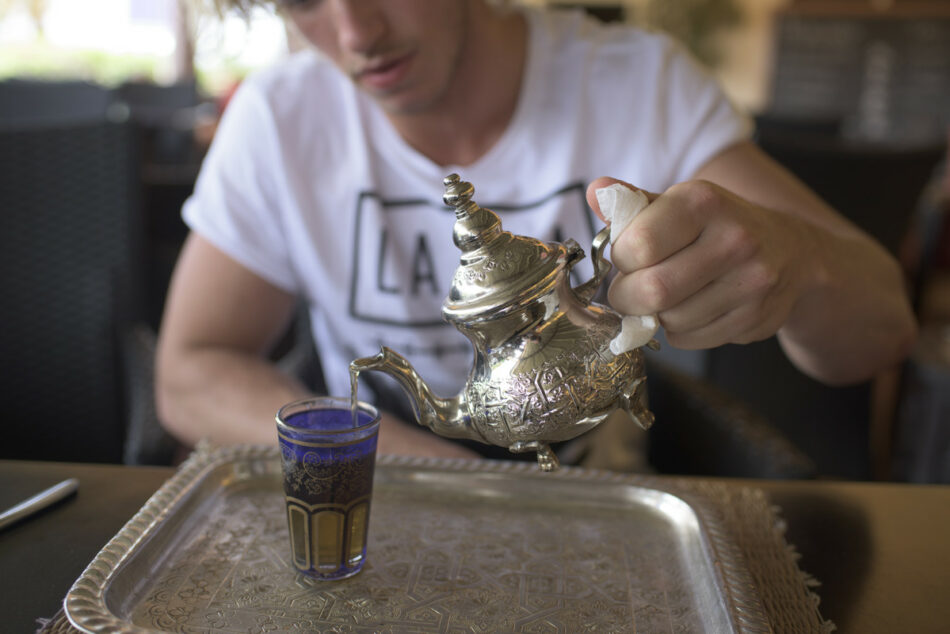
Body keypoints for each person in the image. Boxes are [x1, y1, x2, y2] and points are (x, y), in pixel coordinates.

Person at [155, 0, 917, 462]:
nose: (357, 32)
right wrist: (433, 471)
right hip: (392, 499)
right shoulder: (281, 120)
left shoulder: (634, 85)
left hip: (599, 488)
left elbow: (883, 332)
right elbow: (188, 372)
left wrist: (801, 262)